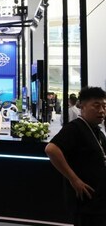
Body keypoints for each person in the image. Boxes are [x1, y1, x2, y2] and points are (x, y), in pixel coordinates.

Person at [45, 87, 106, 226]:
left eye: (104, 106)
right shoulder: (75, 128)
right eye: (96, 106)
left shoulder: (97, 131)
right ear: (82, 106)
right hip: (86, 201)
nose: (102, 110)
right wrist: (74, 179)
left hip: (99, 199)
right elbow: (51, 149)